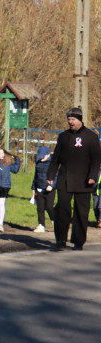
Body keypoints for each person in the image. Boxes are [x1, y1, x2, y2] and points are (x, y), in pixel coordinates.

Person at [47, 107, 101, 250]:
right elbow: (56, 158)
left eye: (73, 119)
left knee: (81, 212)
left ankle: (78, 241)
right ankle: (61, 240)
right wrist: (50, 175)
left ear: (80, 120)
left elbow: (96, 160)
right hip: (65, 179)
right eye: (69, 119)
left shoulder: (91, 137)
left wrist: (92, 177)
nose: (70, 122)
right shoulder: (63, 136)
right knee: (62, 209)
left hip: (85, 181)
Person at [31, 146, 55, 234]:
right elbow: (36, 176)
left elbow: (56, 176)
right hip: (39, 188)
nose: (41, 158)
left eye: (43, 156)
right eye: (40, 156)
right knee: (40, 208)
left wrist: (52, 185)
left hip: (49, 189)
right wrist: (33, 187)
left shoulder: (52, 163)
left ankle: (55, 221)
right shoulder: (38, 163)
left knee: (49, 207)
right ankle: (41, 224)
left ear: (48, 154)